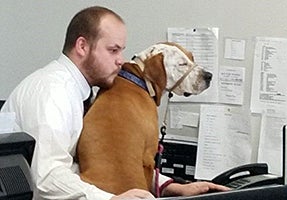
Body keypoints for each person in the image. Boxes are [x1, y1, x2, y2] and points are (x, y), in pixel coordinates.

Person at [1, 6, 229, 200]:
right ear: (82, 46)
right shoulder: (53, 92)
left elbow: (109, 156)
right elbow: (47, 176)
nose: (121, 60)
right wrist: (110, 198)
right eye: (113, 50)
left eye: (121, 51)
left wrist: (171, 187)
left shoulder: (81, 92)